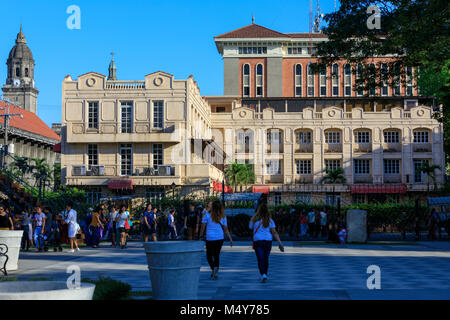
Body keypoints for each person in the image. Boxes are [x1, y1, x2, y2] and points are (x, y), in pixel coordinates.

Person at [249, 203, 284, 283]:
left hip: (258, 241)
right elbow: (274, 232)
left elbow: (250, 227)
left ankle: (263, 274)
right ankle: (265, 274)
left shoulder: (254, 219)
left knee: (260, 259)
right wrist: (280, 243)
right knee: (266, 258)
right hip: (268, 241)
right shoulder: (270, 220)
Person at [200, 200, 233, 280]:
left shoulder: (207, 215)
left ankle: (213, 269)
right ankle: (215, 270)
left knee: (209, 256)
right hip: (220, 238)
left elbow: (203, 226)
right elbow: (226, 229)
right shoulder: (223, 216)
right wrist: (230, 239)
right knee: (216, 255)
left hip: (210, 238)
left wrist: (200, 236)